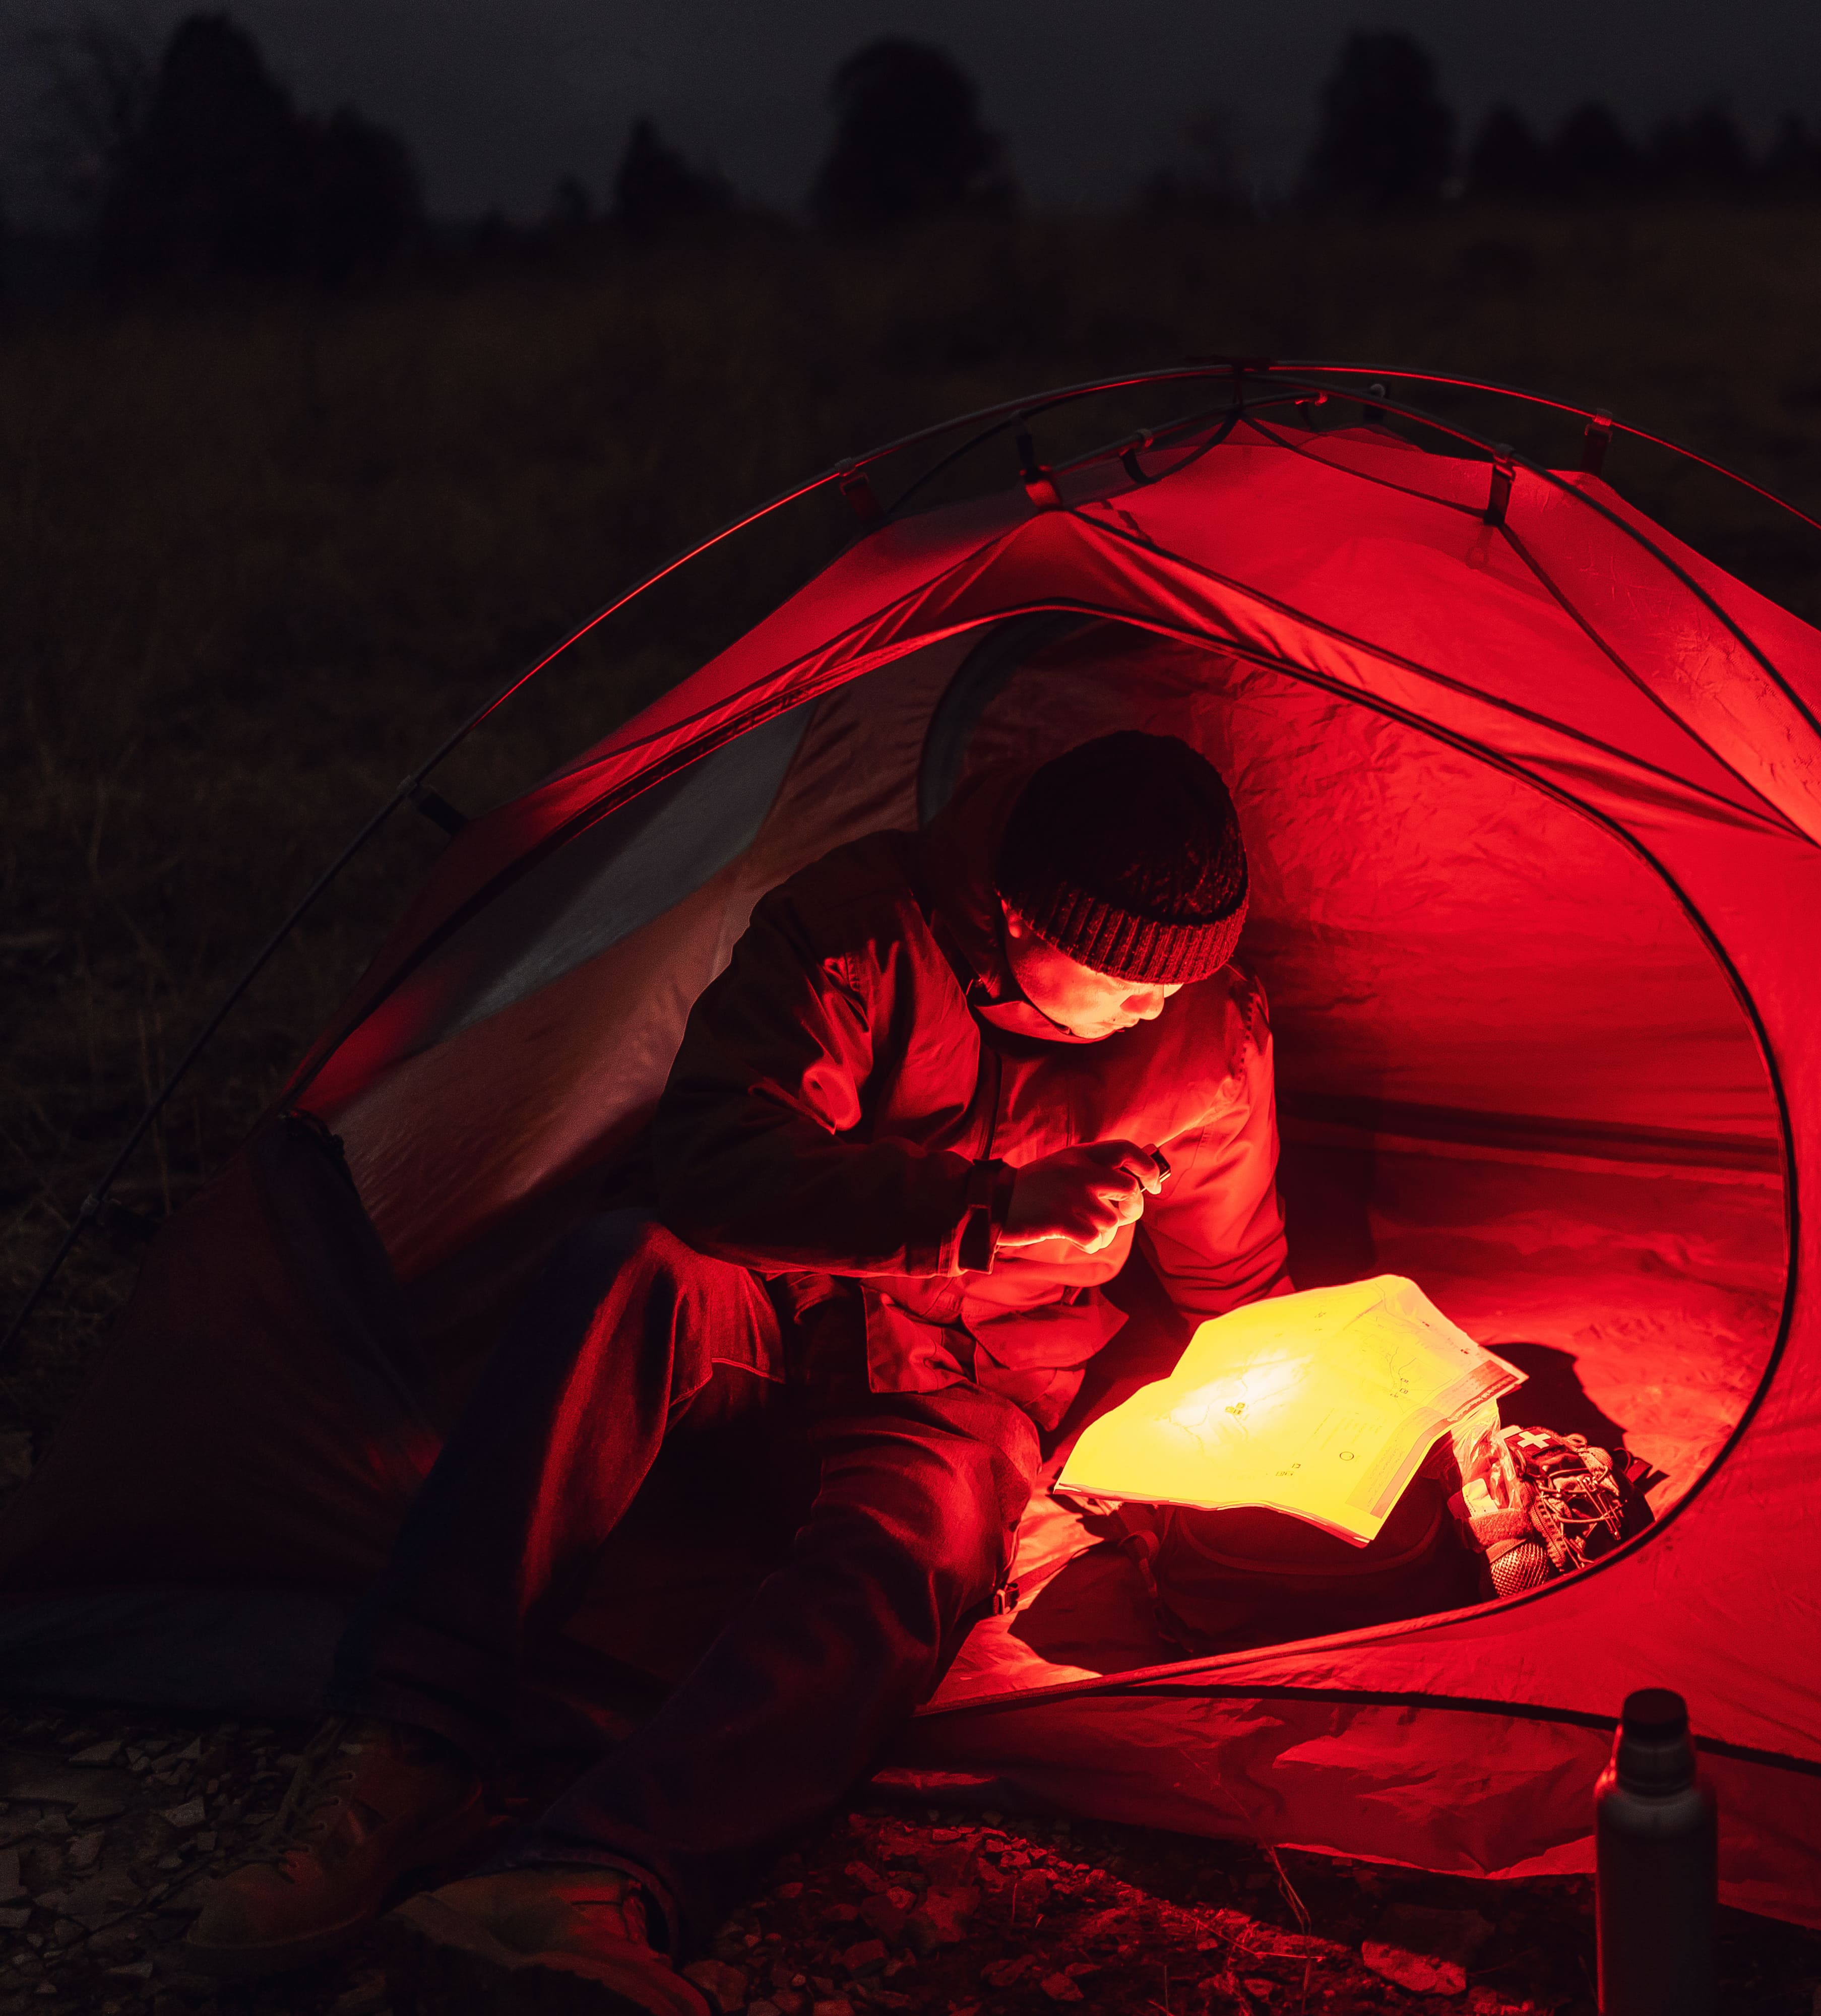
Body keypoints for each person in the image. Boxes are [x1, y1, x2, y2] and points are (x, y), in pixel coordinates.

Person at [181, 732, 1289, 2015]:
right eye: (1121, 974)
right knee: (628, 1261)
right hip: (773, 1318)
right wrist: (989, 1211)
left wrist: (1262, 1431)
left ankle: (586, 1879)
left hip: (961, 1383)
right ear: (1023, 913)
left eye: (1181, 978)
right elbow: (715, 1161)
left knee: (930, 1532)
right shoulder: (857, 934)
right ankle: (400, 1752)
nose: (1153, 1002)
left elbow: (1236, 1290)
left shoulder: (1208, 1041)